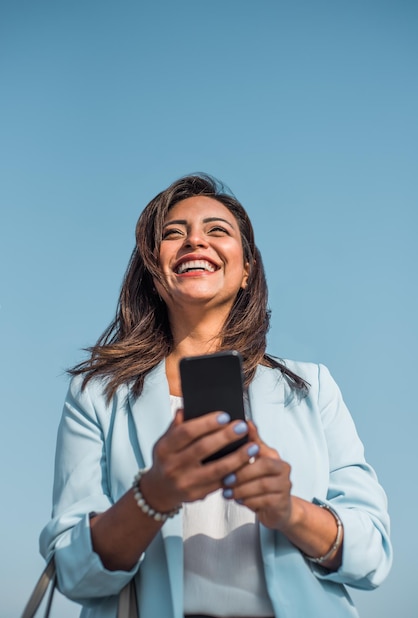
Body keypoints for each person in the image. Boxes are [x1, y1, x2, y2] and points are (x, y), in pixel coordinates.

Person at [40, 174, 392, 618]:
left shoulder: (311, 388)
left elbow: (372, 554)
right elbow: (72, 570)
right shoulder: (97, 395)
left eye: (217, 230)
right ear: (153, 271)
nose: (194, 242)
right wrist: (153, 496)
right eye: (173, 234)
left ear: (246, 269)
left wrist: (288, 510)